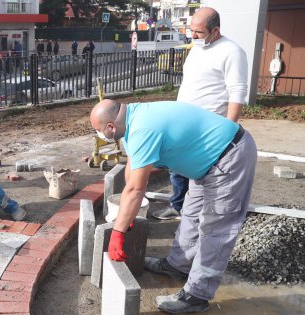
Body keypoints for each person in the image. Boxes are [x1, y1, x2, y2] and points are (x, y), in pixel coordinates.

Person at [90, 99, 256, 314]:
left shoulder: (143, 128)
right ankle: (179, 265)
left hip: (228, 159)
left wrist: (118, 232)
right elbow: (132, 173)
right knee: (191, 214)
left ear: (111, 126)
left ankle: (197, 295)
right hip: (206, 162)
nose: (99, 135)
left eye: (99, 130)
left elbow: (136, 190)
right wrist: (126, 215)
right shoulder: (132, 121)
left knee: (216, 228)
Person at [155, 7, 248, 221]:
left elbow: (238, 91)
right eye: (191, 30)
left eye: (198, 32)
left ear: (215, 30)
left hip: (209, 124)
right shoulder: (198, 48)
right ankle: (178, 207)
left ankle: (201, 215)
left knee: (202, 172)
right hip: (183, 120)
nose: (193, 36)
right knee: (178, 167)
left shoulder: (232, 51)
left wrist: (228, 129)